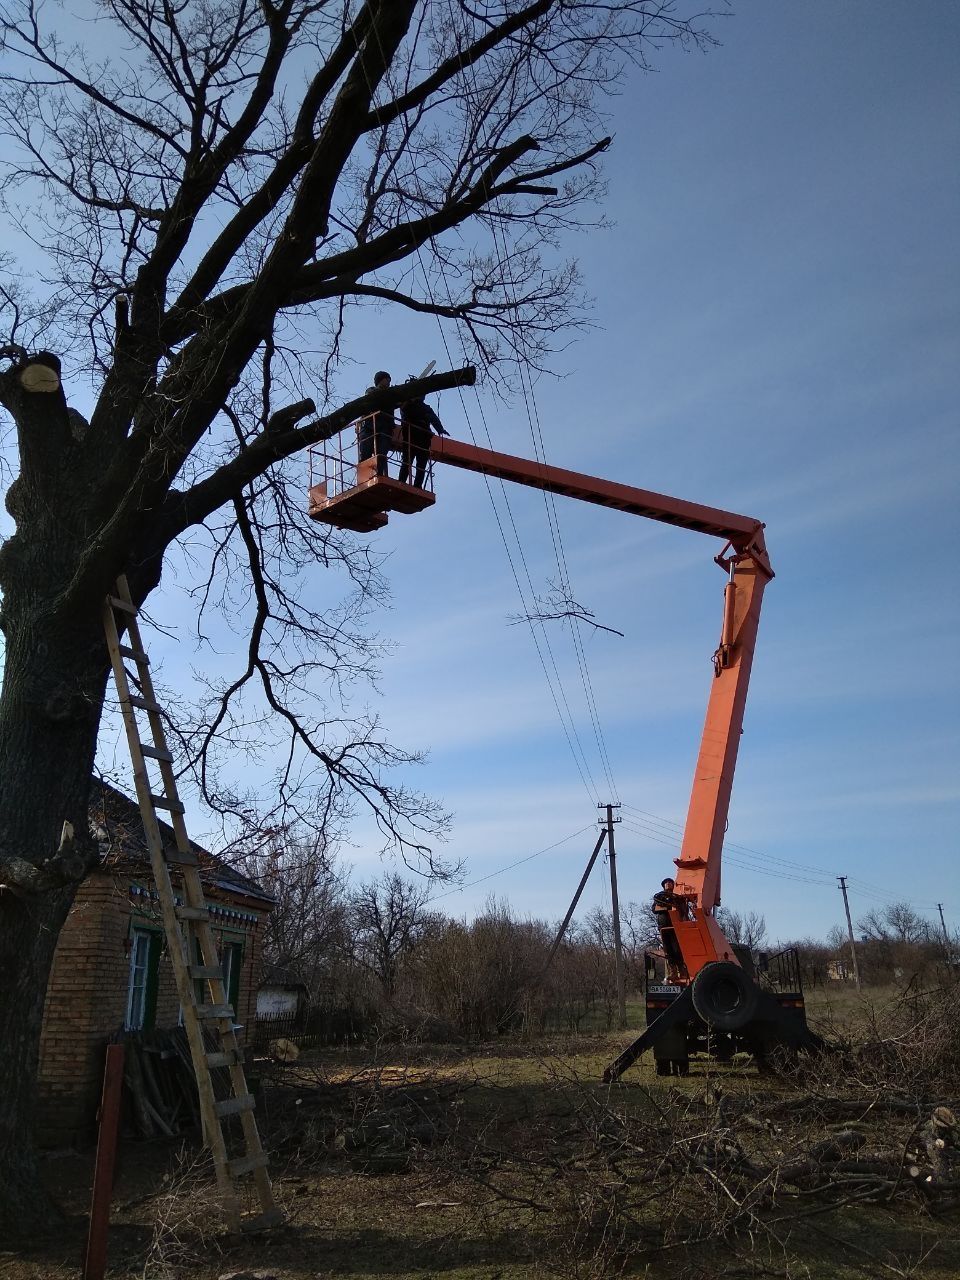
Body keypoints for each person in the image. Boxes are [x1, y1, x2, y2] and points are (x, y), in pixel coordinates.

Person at [397, 393, 448, 488]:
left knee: (421, 464)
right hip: (411, 436)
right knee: (407, 461)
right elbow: (407, 412)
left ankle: (416, 485)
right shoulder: (407, 404)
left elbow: (434, 418)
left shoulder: (425, 407)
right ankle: (401, 482)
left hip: (423, 437)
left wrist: (440, 429)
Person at [358, 370, 395, 477]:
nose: (389, 382)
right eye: (386, 380)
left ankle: (379, 474)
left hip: (385, 428)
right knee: (365, 453)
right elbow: (372, 395)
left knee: (382, 453)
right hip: (370, 427)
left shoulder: (391, 396)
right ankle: (364, 477)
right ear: (380, 380)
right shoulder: (371, 391)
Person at [652, 877, 688, 982]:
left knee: (677, 949)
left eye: (670, 882)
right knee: (668, 951)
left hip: (675, 927)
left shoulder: (677, 897)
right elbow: (654, 909)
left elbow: (683, 909)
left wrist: (670, 905)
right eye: (666, 883)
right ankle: (673, 972)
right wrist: (665, 905)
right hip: (663, 927)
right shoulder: (659, 897)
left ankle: (682, 970)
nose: (668, 884)